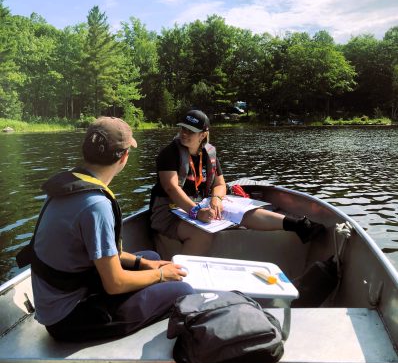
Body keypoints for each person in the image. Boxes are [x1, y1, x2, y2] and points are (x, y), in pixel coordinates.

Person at [25, 116, 193, 342]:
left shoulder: (67, 186)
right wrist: (161, 274)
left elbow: (101, 252)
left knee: (151, 256)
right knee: (183, 291)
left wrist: (145, 264)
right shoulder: (96, 205)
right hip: (68, 319)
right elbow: (114, 284)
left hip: (60, 300)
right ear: (124, 157)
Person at [150, 109, 325, 255]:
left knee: (240, 210)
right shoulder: (169, 153)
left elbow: (219, 184)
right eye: (183, 129)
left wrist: (216, 200)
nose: (184, 133)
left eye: (190, 131)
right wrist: (196, 211)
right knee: (202, 234)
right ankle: (178, 280)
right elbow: (171, 188)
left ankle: (298, 225)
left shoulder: (208, 153)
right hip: (169, 211)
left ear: (203, 135)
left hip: (199, 205)